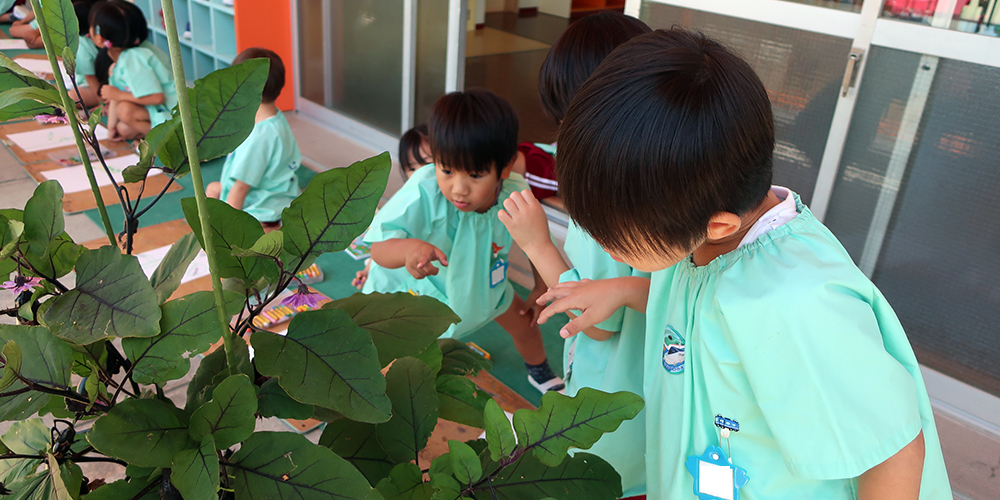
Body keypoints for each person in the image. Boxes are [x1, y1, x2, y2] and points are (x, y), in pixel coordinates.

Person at [534, 28, 952, 499]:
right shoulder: (701, 237)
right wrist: (625, 290)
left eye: (616, 239)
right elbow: (701, 316)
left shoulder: (799, 304)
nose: (609, 252)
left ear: (717, 225)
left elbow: (893, 452)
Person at [497, 11, 652, 498]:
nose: (567, 138)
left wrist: (537, 244)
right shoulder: (658, 183)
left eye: (572, 121)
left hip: (614, 410)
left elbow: (599, 321)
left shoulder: (608, 203)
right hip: (646, 391)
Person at [363, 89, 564, 394]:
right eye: (446, 169)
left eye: (474, 174)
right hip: (421, 296)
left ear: (506, 166)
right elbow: (379, 248)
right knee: (404, 363)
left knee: (525, 324)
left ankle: (539, 369)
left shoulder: (515, 191)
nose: (458, 189)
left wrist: (540, 285)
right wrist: (408, 250)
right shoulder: (425, 188)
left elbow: (533, 240)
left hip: (487, 285)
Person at [206, 48, 300, 230]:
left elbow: (241, 189)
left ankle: (266, 229)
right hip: (277, 196)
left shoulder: (259, 136)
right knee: (213, 188)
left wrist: (227, 231)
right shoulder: (276, 119)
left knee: (220, 222)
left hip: (263, 210)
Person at [353, 123, 434, 290]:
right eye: (412, 168)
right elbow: (383, 240)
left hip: (411, 287)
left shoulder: (438, 204)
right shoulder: (406, 199)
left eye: (426, 164)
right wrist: (368, 270)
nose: (419, 173)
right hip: (384, 281)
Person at [89, 0, 175, 140]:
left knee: (124, 110)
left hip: (172, 111)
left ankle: (170, 141)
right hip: (158, 111)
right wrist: (110, 130)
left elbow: (157, 97)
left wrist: (118, 95)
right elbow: (115, 95)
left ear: (99, 38)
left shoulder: (133, 59)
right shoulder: (123, 60)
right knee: (123, 129)